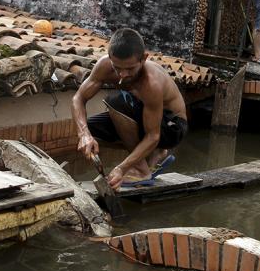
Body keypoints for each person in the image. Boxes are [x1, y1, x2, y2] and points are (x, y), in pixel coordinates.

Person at [72, 28, 188, 190]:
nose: (122, 75)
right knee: (91, 128)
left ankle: (142, 170)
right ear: (110, 57)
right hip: (145, 121)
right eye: (117, 68)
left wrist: (121, 168)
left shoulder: (151, 83)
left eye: (130, 69)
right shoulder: (104, 66)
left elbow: (153, 135)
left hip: (171, 128)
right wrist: (84, 134)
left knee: (117, 101)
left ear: (144, 59)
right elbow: (78, 98)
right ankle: (154, 155)